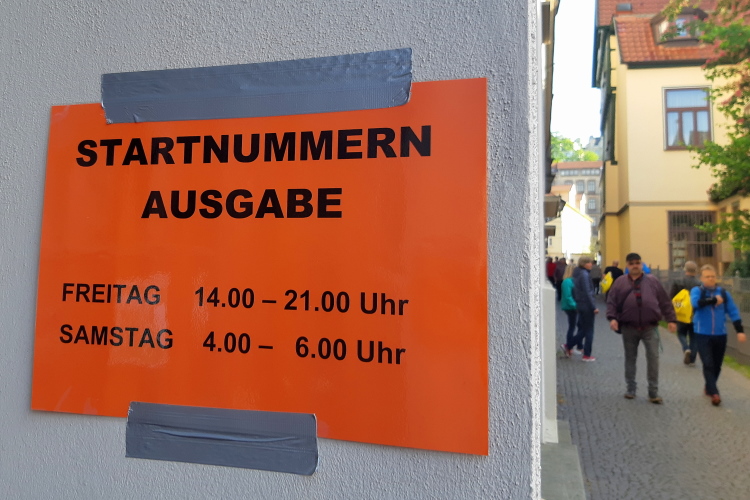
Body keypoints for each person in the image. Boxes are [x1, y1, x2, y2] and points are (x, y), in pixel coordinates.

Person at [607, 252, 677, 403]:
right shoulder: (620, 282)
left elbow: (664, 301)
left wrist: (671, 320)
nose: (635, 266)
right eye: (631, 263)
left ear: (641, 264)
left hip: (650, 327)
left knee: (653, 358)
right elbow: (612, 301)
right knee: (630, 358)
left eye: (637, 263)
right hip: (629, 327)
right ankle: (630, 389)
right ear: (627, 265)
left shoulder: (653, 281)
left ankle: (653, 392)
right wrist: (612, 318)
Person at [690, 265, 746, 406]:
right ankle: (715, 393)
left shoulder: (723, 293)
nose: (711, 279)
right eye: (707, 276)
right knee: (708, 363)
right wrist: (713, 300)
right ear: (701, 278)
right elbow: (696, 304)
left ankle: (709, 386)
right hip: (702, 333)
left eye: (713, 276)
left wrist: (740, 331)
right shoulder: (697, 291)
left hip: (720, 334)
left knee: (717, 365)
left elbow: (733, 312)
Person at [561, 256, 598, 361]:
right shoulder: (584, 275)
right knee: (588, 330)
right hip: (586, 305)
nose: (591, 264)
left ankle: (570, 345)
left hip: (580, 305)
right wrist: (593, 306)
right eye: (589, 263)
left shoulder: (577, 274)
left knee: (583, 329)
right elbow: (587, 292)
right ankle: (586, 354)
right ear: (584, 264)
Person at [669, 261, 701, 365]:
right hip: (694, 314)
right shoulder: (699, 284)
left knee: (681, 333)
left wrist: (671, 314)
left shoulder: (678, 282)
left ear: (685, 269)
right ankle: (692, 359)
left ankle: (686, 348)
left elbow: (671, 297)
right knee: (694, 336)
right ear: (696, 271)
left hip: (681, 313)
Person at [560, 264, 582, 355]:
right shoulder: (567, 281)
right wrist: (575, 305)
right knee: (572, 327)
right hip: (570, 307)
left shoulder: (571, 280)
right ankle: (569, 346)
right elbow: (568, 296)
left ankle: (574, 346)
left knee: (574, 326)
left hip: (573, 306)